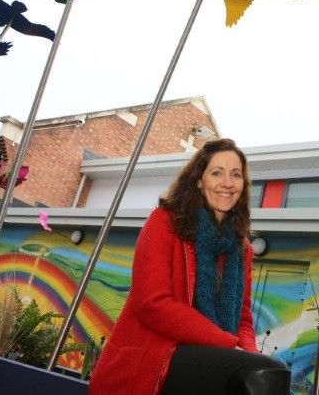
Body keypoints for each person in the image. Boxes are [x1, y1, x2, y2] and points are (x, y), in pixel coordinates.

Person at [87, 138, 291, 395]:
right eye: (217, 173)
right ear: (198, 181)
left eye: (236, 174)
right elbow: (152, 303)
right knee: (268, 372)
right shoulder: (165, 221)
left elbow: (243, 320)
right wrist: (228, 345)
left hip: (211, 356)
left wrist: (249, 355)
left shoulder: (242, 249)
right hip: (159, 355)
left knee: (268, 370)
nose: (227, 183)